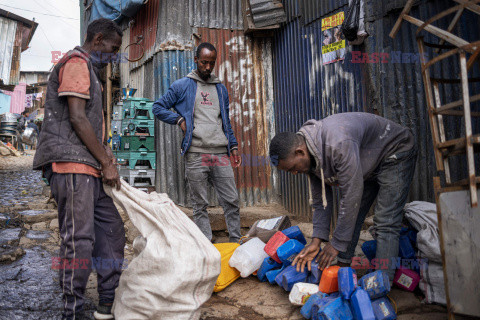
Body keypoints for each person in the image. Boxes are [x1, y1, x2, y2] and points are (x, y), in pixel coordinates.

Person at [33, 18, 124, 320]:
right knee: (79, 240)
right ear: (98, 40)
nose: (114, 57)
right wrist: (106, 161)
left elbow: (90, 125)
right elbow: (76, 118)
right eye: (113, 49)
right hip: (72, 168)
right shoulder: (76, 62)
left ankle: (106, 304)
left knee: (111, 232)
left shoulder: (92, 72)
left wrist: (105, 156)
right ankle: (71, 311)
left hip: (89, 170)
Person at [269, 112, 416, 280]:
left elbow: (351, 196)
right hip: (368, 162)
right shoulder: (310, 156)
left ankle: (381, 285)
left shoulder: (337, 144)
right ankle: (343, 267)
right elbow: (321, 202)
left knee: (385, 222)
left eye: (292, 168)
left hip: (395, 150)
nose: (294, 173)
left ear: (299, 152)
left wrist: (336, 244)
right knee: (354, 213)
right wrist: (316, 241)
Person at [152, 42, 242, 243]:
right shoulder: (183, 85)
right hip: (196, 154)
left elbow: (226, 121)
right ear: (195, 60)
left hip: (220, 153)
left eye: (211, 63)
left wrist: (233, 146)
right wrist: (179, 120)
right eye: (204, 62)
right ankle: (206, 244)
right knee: (199, 204)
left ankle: (236, 242)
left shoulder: (220, 89)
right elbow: (158, 107)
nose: (208, 67)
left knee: (231, 200)